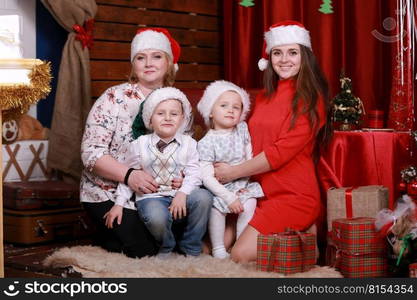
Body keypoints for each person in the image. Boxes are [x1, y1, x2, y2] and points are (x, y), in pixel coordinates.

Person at [214, 20, 332, 263]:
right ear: (269, 58)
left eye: (293, 52)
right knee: (213, 246)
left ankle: (307, 245)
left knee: (239, 255)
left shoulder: (311, 99)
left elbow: (279, 153)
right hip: (257, 192)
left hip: (293, 193)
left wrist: (232, 173)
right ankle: (300, 234)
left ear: (304, 57)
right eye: (277, 52)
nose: (284, 59)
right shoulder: (266, 96)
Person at [81, 27, 191, 258]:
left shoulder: (177, 102)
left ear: (169, 63)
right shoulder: (113, 98)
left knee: (182, 224)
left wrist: (182, 176)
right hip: (109, 191)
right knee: (145, 251)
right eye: (141, 57)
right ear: (134, 65)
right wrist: (130, 175)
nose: (148, 63)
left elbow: (187, 151)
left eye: (157, 56)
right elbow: (90, 153)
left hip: (160, 194)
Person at [113, 87, 212, 258]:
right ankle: (166, 245)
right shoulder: (140, 144)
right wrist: (119, 203)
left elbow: (194, 173)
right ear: (150, 119)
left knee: (204, 197)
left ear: (182, 119)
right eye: (160, 113)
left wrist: (182, 193)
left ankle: (191, 246)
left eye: (174, 114)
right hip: (152, 198)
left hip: (180, 194)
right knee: (156, 217)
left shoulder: (189, 144)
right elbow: (130, 174)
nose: (167, 118)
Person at [196, 80, 264, 259]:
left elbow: (249, 154)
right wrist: (228, 197)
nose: (231, 110)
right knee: (216, 210)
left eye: (236, 107)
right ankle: (218, 248)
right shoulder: (206, 142)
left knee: (250, 204)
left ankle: (241, 241)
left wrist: (245, 177)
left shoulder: (242, 129)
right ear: (210, 112)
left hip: (242, 182)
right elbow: (207, 177)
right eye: (224, 105)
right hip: (220, 189)